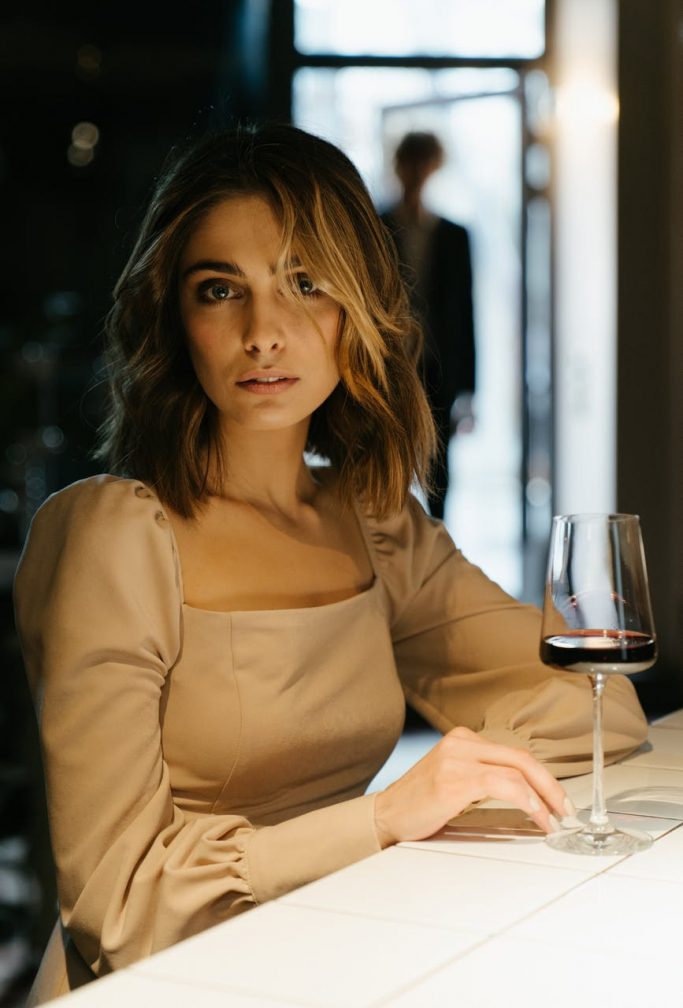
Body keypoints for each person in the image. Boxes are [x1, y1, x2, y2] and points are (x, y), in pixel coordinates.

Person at [14, 123, 647, 1005]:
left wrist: (460, 779)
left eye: (304, 283)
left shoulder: (375, 524)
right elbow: (118, 906)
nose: (264, 332)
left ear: (358, 307)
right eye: (218, 289)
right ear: (174, 319)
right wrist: (385, 817)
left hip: (337, 948)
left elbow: (600, 705)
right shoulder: (114, 539)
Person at [382, 131, 475, 519]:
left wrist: (469, 390)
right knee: (389, 465)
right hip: (391, 365)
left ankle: (434, 556)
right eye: (411, 164)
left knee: (439, 472)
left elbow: (465, 316)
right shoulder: (377, 225)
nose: (417, 174)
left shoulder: (454, 236)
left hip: (439, 368)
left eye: (425, 165)